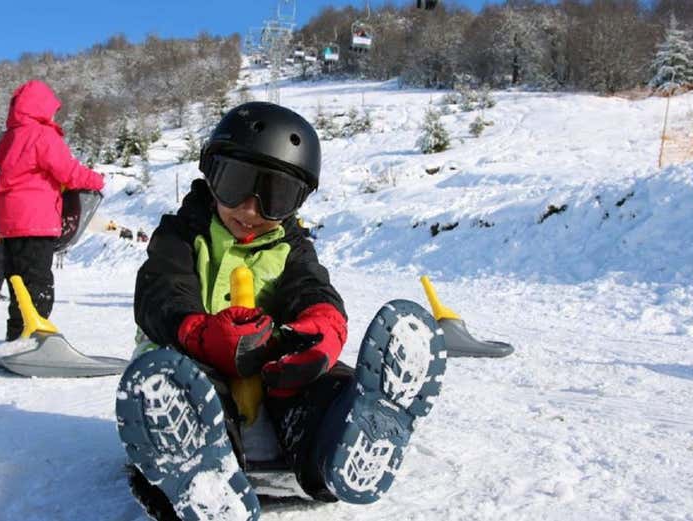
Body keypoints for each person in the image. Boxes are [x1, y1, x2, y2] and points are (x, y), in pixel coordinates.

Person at [116, 102, 447, 520]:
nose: (251, 210)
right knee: (186, 389)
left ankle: (342, 437)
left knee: (316, 384)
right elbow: (161, 290)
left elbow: (312, 288)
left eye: (275, 196)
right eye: (235, 184)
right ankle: (197, 474)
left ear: (298, 203)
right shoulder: (182, 235)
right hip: (192, 358)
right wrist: (197, 332)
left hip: (269, 365)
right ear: (211, 175)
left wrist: (320, 331)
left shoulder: (291, 245)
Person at [0, 80, 104, 340]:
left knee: (18, 281)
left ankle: (16, 331)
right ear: (40, 108)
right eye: (52, 109)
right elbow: (68, 171)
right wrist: (96, 180)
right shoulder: (42, 135)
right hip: (36, 220)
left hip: (10, 223)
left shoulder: (9, 137)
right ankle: (36, 333)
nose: (54, 114)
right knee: (38, 281)